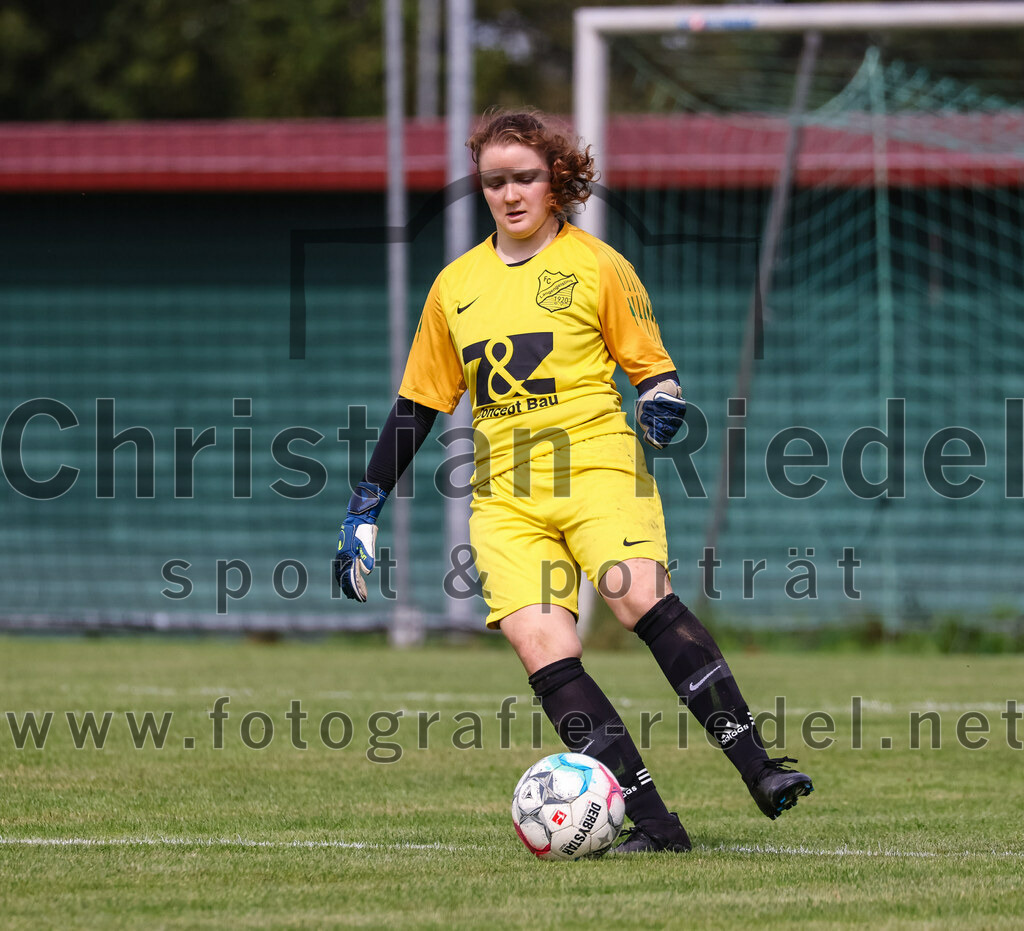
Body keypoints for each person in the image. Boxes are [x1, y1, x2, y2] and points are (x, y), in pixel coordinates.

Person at [335, 108, 813, 853]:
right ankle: (654, 824)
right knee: (542, 646)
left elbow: (654, 371)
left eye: (524, 176)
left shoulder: (598, 265)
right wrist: (362, 510)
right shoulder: (455, 286)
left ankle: (760, 766)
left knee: (634, 596)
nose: (509, 193)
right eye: (494, 181)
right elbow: (418, 405)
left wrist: (662, 402)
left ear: (556, 179)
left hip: (597, 469)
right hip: (503, 497)